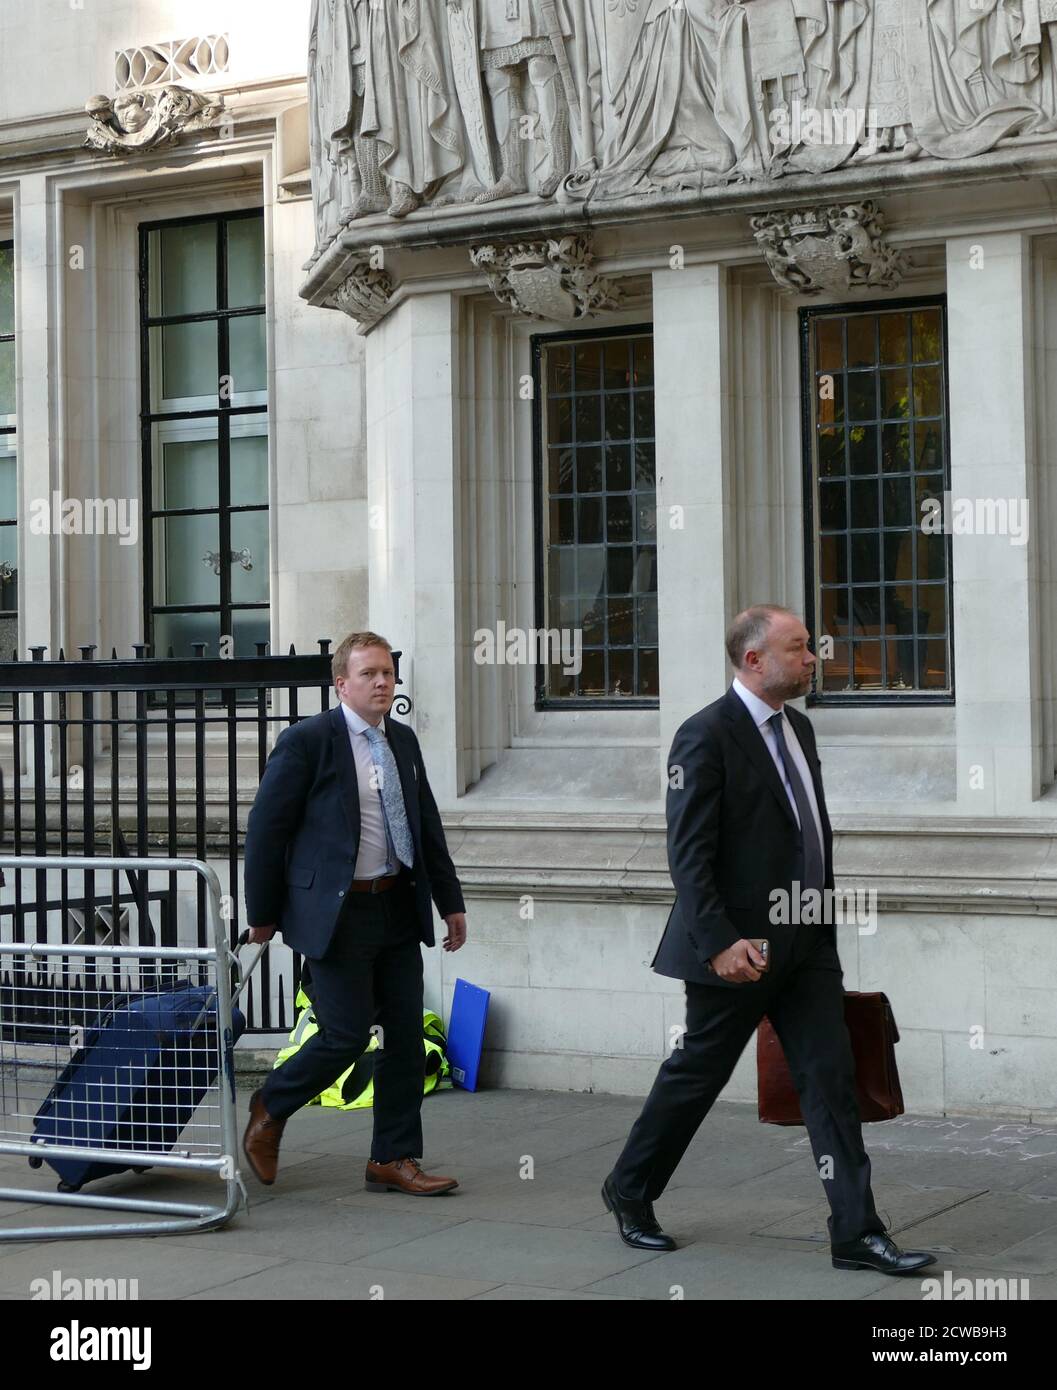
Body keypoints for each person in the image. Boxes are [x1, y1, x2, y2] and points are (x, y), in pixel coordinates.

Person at [602, 604, 937, 1276]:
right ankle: (629, 1189)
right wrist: (720, 941)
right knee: (696, 1076)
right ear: (753, 660)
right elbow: (688, 856)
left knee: (829, 1080)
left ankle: (855, 1232)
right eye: (798, 647)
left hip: (806, 942)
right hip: (737, 953)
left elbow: (803, 833)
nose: (814, 657)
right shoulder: (704, 736)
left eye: (809, 646)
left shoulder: (800, 729)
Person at [242, 631, 468, 1196]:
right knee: (342, 1037)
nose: (382, 683)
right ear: (341, 683)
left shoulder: (404, 743)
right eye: (368, 674)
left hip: (396, 904)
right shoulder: (308, 741)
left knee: (406, 1040)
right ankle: (272, 1104)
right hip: (338, 915)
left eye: (388, 673)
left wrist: (450, 902)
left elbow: (426, 827)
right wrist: (263, 913)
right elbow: (266, 834)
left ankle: (393, 1157)